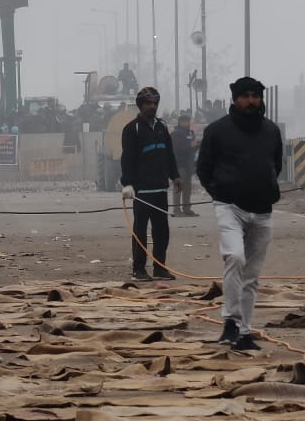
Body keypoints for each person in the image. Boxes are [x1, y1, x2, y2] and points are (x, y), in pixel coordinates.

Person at [196, 76, 283, 352]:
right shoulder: (217, 131)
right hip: (229, 207)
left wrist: (263, 187)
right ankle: (230, 322)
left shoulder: (271, 131)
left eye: (255, 95)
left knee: (251, 276)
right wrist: (220, 192)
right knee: (234, 257)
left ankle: (245, 332)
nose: (250, 101)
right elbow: (204, 169)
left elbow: (275, 165)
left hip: (262, 211)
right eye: (245, 96)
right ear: (235, 99)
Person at [119, 86, 181, 281]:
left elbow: (169, 154)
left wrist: (175, 176)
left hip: (160, 188)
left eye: (154, 103)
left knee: (162, 230)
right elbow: (127, 158)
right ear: (140, 105)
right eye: (148, 103)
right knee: (140, 230)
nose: (152, 106)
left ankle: (160, 267)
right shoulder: (132, 129)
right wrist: (127, 183)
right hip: (142, 190)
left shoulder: (162, 127)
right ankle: (139, 269)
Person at [169, 113, 198, 217]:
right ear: (181, 122)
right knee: (178, 187)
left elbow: (192, 148)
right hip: (179, 164)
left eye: (188, 121)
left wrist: (196, 145)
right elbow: (177, 148)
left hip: (188, 164)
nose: (188, 123)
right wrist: (190, 145)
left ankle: (187, 209)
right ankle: (176, 210)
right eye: (186, 121)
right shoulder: (176, 133)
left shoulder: (190, 132)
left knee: (187, 188)